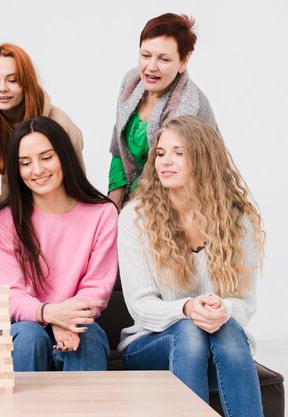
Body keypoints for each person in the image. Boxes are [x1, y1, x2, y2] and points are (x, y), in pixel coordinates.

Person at [118, 116, 264, 416]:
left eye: (178, 153)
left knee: (228, 328)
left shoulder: (239, 221)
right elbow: (140, 306)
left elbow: (244, 304)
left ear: (204, 158)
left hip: (218, 343)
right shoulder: (135, 218)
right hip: (149, 345)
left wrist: (221, 309)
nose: (165, 162)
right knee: (190, 331)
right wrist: (187, 309)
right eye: (160, 153)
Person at [0, 116, 118, 371]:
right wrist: (50, 315)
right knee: (29, 337)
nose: (37, 170)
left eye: (46, 157)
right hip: (26, 328)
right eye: (25, 163)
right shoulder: (5, 220)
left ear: (64, 156)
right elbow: (11, 295)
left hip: (78, 325)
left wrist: (67, 320)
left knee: (87, 335)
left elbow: (97, 288)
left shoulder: (103, 213)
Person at [0, 43, 84, 211]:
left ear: (26, 82)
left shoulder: (59, 122)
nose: (2, 88)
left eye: (12, 80)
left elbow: (77, 181)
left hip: (47, 216)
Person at [108, 13, 217, 209]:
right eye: (145, 55)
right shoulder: (131, 82)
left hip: (180, 204)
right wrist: (110, 208)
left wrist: (126, 214)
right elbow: (119, 149)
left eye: (164, 59)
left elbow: (163, 174)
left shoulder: (186, 107)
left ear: (183, 61)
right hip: (136, 199)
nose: (151, 67)